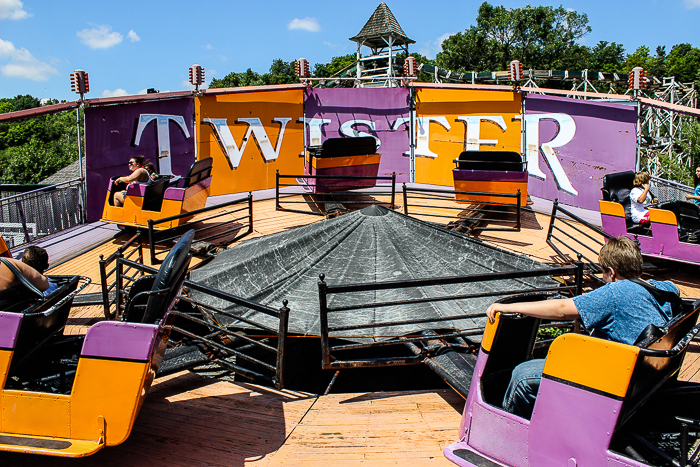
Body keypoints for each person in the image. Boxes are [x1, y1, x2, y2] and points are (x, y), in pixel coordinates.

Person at [486, 236, 679, 419]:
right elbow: (675, 287)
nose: (603, 278)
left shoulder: (616, 291)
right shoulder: (661, 288)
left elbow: (562, 309)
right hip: (645, 378)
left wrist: (505, 307)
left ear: (611, 272)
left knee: (522, 375)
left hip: (616, 380)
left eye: (603, 272)